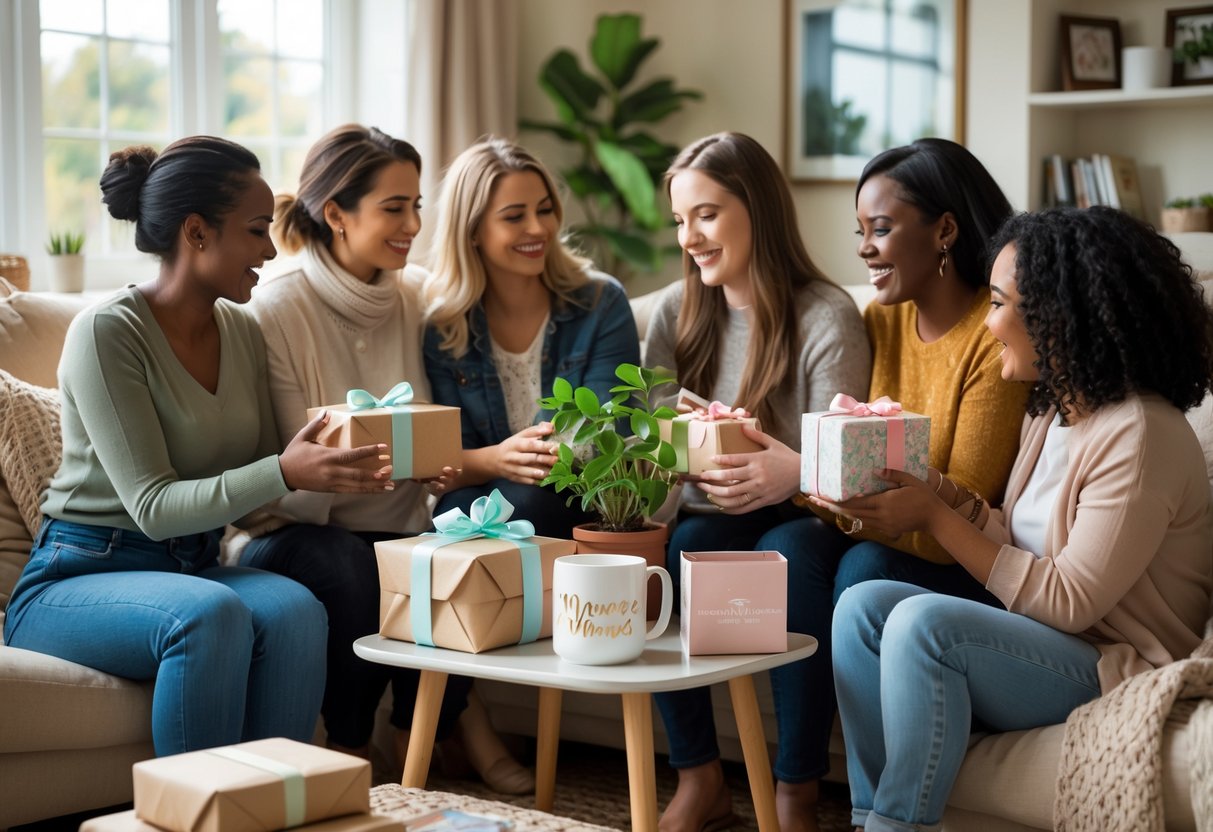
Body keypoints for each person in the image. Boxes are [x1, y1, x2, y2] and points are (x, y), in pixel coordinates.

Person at [654, 138, 1029, 832]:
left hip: (958, 556)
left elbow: (956, 511)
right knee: (740, 541)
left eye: (879, 229)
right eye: (860, 231)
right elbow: (849, 458)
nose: (863, 249)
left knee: (838, 561)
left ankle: (817, 798)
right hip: (869, 530)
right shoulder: (883, 318)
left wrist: (799, 472)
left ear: (943, 230)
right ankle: (739, 787)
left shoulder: (991, 333)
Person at [2, 136, 394, 756]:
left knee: (295, 610)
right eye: (256, 229)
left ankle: (276, 810)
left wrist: (338, 465)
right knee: (207, 616)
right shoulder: (107, 335)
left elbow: (261, 474)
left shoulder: (240, 328)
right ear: (197, 232)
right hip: (80, 574)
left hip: (191, 567)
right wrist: (284, 472)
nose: (270, 248)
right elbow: (155, 507)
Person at [825, 206, 1213, 832]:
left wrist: (933, 516)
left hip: (1115, 661)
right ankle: (871, 814)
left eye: (1001, 302)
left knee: (926, 624)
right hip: (1045, 645)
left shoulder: (1140, 435)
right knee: (861, 607)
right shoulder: (1055, 411)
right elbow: (1015, 535)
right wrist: (940, 491)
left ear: (1061, 317)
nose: (989, 320)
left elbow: (1066, 600)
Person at [241, 124, 531, 793]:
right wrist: (396, 463)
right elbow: (297, 465)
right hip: (293, 527)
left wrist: (442, 465)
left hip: (400, 519)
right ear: (337, 214)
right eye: (393, 208)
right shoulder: (277, 309)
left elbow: (432, 441)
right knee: (355, 565)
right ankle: (349, 749)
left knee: (468, 546)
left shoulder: (413, 296)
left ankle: (417, 730)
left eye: (416, 206)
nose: (412, 225)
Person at [643, 131, 871, 832]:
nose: (690, 238)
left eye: (705, 215)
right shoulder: (673, 316)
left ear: (757, 209)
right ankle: (698, 777)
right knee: (683, 540)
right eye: (681, 221)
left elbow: (847, 474)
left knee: (791, 550)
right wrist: (677, 447)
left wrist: (781, 471)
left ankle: (794, 794)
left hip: (808, 516)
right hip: (707, 511)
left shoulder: (825, 316)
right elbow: (649, 457)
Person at [421, 136, 640, 537]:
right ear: (472, 231)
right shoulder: (445, 326)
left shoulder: (601, 303)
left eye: (544, 210)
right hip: (484, 494)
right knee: (455, 514)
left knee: (526, 503)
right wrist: (497, 461)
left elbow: (610, 435)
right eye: (514, 216)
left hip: (582, 495)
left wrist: (485, 463)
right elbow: (445, 466)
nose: (538, 228)